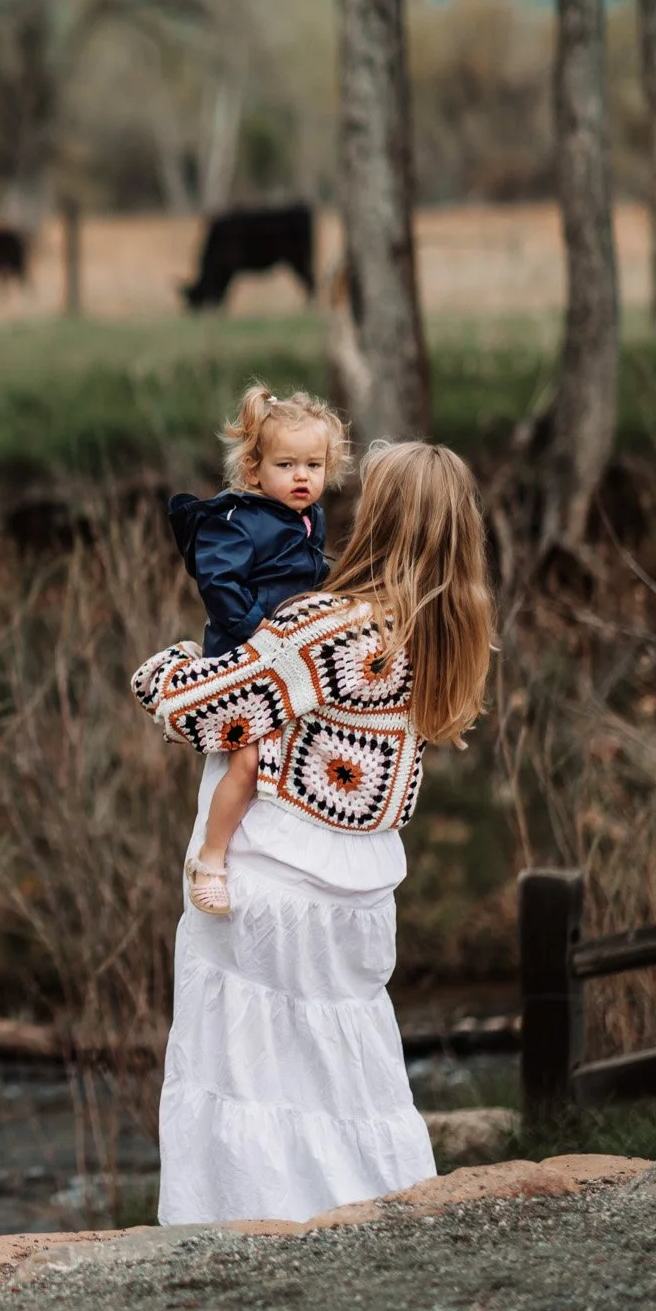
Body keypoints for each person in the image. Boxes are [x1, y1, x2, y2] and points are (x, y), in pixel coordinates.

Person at [130, 440, 495, 1225]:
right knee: (348, 1077)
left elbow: (210, 711)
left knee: (243, 1077)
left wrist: (167, 668)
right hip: (362, 895)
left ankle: (237, 1235)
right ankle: (382, 1226)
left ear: (382, 518)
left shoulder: (324, 625)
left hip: (268, 880)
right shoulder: (448, 633)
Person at [163, 385, 351, 918]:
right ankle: (213, 858)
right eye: (287, 464)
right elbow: (219, 584)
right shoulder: (237, 521)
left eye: (314, 465)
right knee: (246, 760)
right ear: (253, 470)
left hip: (290, 655)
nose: (302, 477)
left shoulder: (309, 518)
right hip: (246, 654)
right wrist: (260, 632)